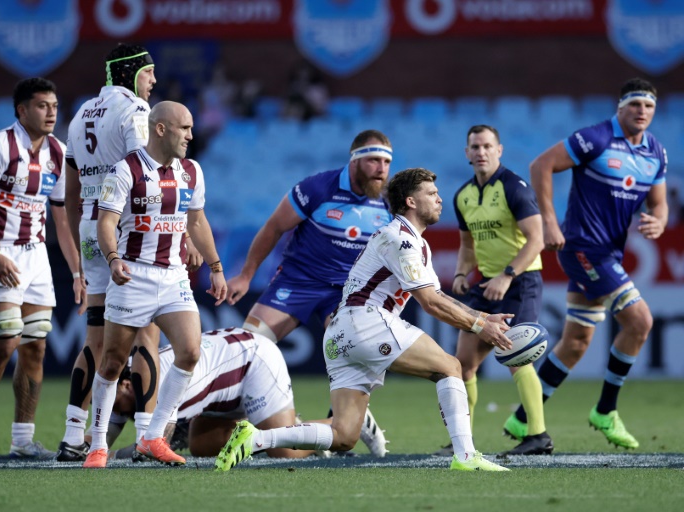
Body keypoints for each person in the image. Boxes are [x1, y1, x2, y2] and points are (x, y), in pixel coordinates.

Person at [215, 168, 514, 472]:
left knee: (344, 434)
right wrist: (479, 326)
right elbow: (431, 303)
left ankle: (256, 439)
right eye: (431, 193)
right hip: (367, 321)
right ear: (410, 201)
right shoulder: (401, 240)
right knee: (450, 367)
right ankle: (466, 457)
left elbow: (437, 294)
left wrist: (483, 316)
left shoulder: (412, 242)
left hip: (341, 333)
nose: (439, 198)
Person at [58, 44, 203, 462]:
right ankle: (145, 433)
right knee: (148, 334)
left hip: (91, 223)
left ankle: (73, 433)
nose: (153, 81)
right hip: (130, 229)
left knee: (96, 336)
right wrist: (182, 237)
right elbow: (148, 171)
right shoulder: (137, 112)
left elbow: (70, 191)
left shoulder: (81, 114)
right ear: (128, 74)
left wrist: (80, 239)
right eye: (148, 72)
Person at [505, 78, 668, 449]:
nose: (642, 112)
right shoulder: (595, 138)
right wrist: (548, 220)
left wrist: (658, 219)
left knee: (577, 341)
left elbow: (659, 204)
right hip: (582, 246)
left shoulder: (655, 152)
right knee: (640, 321)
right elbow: (541, 165)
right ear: (620, 106)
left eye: (649, 107)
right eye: (635, 105)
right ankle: (606, 410)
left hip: (609, 252)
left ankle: (520, 420)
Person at [83, 101, 227, 468]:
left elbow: (196, 222)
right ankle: (97, 444)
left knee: (190, 352)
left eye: (192, 128)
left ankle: (152, 436)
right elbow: (105, 222)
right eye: (184, 128)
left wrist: (216, 266)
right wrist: (113, 259)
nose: (191, 136)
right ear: (160, 129)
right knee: (114, 362)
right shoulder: (125, 171)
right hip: (133, 275)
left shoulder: (192, 172)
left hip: (174, 276)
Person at [0, 77, 84, 459]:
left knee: (36, 347)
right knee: (6, 339)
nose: (51, 113)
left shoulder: (59, 153)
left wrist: (77, 272)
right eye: (42, 106)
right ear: (21, 110)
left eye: (55, 106)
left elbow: (61, 219)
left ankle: (22, 439)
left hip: (36, 255)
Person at [94, 327, 388, 460]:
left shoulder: (158, 384)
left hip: (252, 363)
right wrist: (84, 445)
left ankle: (343, 422)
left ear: (127, 384)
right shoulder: (131, 379)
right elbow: (105, 431)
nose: (108, 404)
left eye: (110, 394)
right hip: (221, 385)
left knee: (283, 452)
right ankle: (282, 430)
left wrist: (110, 454)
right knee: (202, 447)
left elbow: (151, 448)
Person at [434, 125, 551, 456]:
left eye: (487, 146)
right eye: (475, 146)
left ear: (499, 150)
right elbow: (467, 243)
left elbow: (537, 239)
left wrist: (507, 275)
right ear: (467, 153)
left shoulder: (515, 188)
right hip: (485, 285)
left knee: (517, 355)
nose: (481, 152)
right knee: (464, 364)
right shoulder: (463, 196)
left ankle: (538, 435)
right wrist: (460, 272)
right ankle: (463, 440)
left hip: (521, 282)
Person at [226, 130, 393, 343]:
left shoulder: (389, 202)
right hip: (299, 280)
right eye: (373, 160)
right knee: (250, 344)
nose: (381, 169)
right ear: (355, 161)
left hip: (348, 292)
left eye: (386, 162)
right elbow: (274, 227)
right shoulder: (318, 187)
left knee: (353, 349)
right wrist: (245, 276)